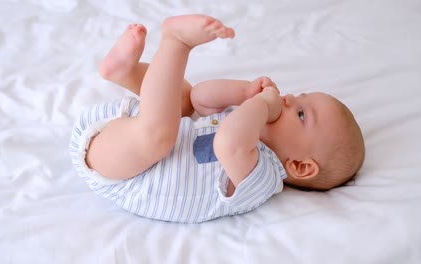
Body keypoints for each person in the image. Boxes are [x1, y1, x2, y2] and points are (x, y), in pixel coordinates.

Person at [69, 14, 365, 223]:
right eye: (297, 96)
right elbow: (201, 97)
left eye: (300, 113)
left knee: (158, 137)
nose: (287, 99)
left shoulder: (263, 176)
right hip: (131, 136)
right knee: (184, 98)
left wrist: (261, 104)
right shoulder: (249, 124)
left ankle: (176, 43)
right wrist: (244, 93)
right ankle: (124, 72)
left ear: (300, 166)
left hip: (122, 173)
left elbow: (228, 142)